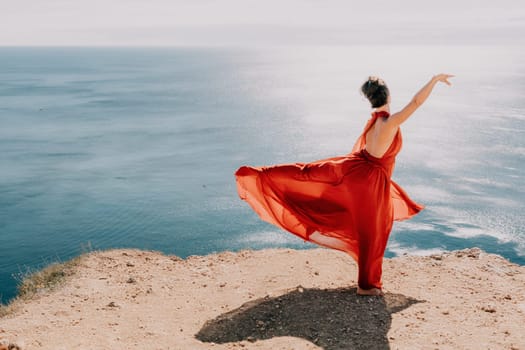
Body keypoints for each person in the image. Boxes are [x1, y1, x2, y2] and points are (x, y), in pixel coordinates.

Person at [235, 74, 454, 296]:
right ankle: (366, 286)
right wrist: (434, 80)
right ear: (387, 95)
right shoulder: (389, 122)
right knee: (372, 231)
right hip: (369, 181)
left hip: (356, 170)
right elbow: (416, 102)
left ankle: (261, 175)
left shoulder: (375, 122)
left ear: (371, 99)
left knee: (307, 173)